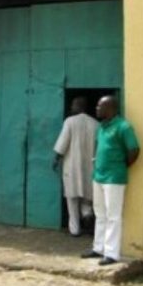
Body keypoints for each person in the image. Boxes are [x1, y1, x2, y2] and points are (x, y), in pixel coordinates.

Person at [81, 96, 139, 266]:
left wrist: (120, 165)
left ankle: (111, 253)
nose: (97, 108)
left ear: (111, 108)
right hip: (98, 176)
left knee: (113, 215)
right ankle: (98, 248)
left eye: (100, 105)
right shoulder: (101, 127)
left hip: (114, 177)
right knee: (100, 213)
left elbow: (134, 150)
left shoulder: (123, 127)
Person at [53, 97, 99, 237]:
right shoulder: (96, 124)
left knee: (72, 199)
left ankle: (75, 229)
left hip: (72, 167)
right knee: (87, 198)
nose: (71, 108)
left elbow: (63, 143)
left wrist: (56, 158)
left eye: (73, 105)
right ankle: (87, 214)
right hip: (90, 167)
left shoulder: (70, 121)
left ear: (78, 106)